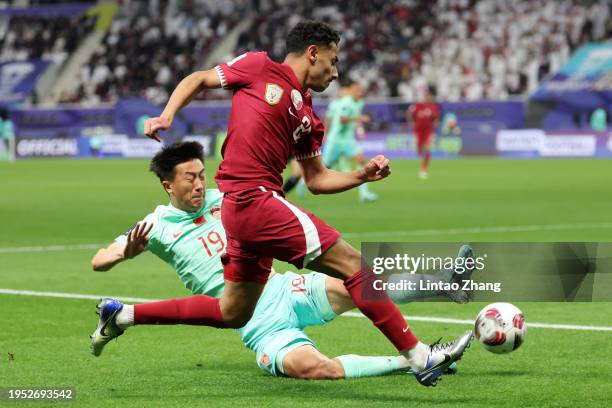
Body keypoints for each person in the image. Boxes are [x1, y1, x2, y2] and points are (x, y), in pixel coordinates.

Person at [113, 20, 470, 387]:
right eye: (332, 62)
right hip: (253, 198)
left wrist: (360, 176)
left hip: (241, 212)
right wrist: (167, 114)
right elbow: (198, 79)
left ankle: (124, 315)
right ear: (312, 53)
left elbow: (316, 179)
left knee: (234, 311)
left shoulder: (308, 117)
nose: (335, 72)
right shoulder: (257, 66)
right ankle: (419, 356)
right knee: (352, 265)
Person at [90, 141, 464, 379]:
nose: (200, 185)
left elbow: (270, 199)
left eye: (203, 175)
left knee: (359, 282)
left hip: (286, 288)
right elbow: (100, 260)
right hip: (258, 324)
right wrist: (125, 254)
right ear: (168, 185)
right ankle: (410, 361)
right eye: (189, 179)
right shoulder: (154, 225)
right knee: (316, 369)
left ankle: (444, 283)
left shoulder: (228, 199)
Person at [322, 80, 378, 202]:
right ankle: (302, 182)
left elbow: (355, 119)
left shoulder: (360, 102)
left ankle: (364, 194)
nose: (359, 93)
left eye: (360, 91)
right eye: (356, 90)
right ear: (351, 91)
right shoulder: (346, 103)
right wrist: (360, 118)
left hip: (347, 140)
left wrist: (359, 128)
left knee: (363, 162)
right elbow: (342, 119)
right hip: (335, 140)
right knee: (323, 168)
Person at [407, 86, 440, 179]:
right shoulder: (417, 106)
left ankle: (423, 170)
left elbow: (436, 117)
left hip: (428, 131)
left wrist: (436, 122)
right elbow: (409, 113)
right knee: (419, 151)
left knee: (427, 149)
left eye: (430, 96)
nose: (428, 98)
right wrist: (412, 122)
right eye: (427, 96)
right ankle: (422, 165)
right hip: (418, 131)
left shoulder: (433, 107)